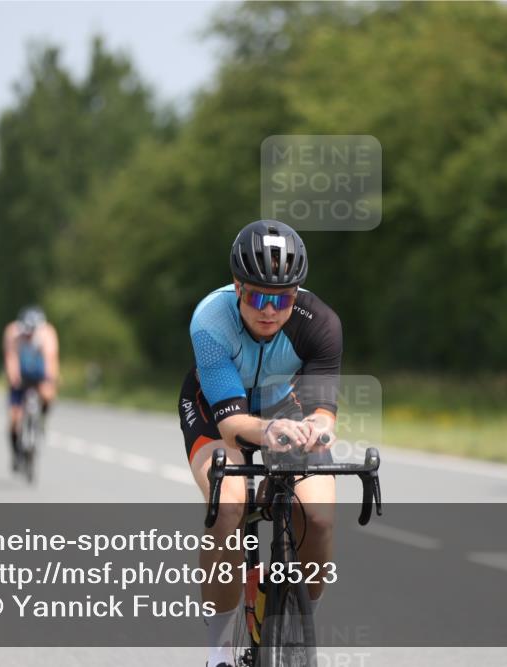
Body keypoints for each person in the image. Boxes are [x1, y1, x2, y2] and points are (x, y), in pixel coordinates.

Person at [179, 220, 341, 667]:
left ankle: (300, 627)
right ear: (237, 287)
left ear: (297, 294)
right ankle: (218, 654)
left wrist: (318, 430)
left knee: (320, 517)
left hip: (280, 409)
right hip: (215, 409)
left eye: (283, 298)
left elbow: (323, 412)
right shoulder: (210, 320)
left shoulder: (321, 323)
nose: (270, 310)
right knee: (229, 504)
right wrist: (266, 434)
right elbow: (232, 426)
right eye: (258, 296)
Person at [2, 306, 59, 471]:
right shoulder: (12, 332)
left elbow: (51, 358)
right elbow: (10, 357)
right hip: (21, 374)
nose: (28, 335)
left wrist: (51, 379)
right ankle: (16, 453)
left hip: (39, 372)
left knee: (48, 394)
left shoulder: (48, 333)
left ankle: (42, 420)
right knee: (14, 418)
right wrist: (13, 377)